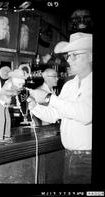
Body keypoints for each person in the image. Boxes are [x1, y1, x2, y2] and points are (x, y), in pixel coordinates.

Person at [27, 32, 92, 184]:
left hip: (88, 159)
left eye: (75, 55)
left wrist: (49, 98)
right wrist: (33, 105)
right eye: (68, 55)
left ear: (90, 56)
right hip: (70, 156)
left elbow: (86, 114)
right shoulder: (69, 85)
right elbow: (54, 115)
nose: (69, 59)